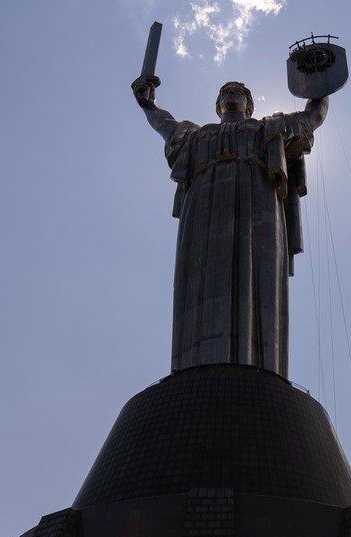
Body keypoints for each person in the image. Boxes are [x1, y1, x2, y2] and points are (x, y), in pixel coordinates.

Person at [132, 77, 328, 379]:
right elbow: (164, 125)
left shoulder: (268, 128)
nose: (231, 95)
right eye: (226, 92)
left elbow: (310, 120)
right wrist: (148, 104)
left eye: (238, 92)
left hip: (257, 205)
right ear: (217, 105)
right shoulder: (196, 136)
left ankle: (261, 370)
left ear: (250, 104)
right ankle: (195, 368)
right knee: (202, 278)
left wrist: (320, 87)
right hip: (204, 214)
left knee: (257, 276)